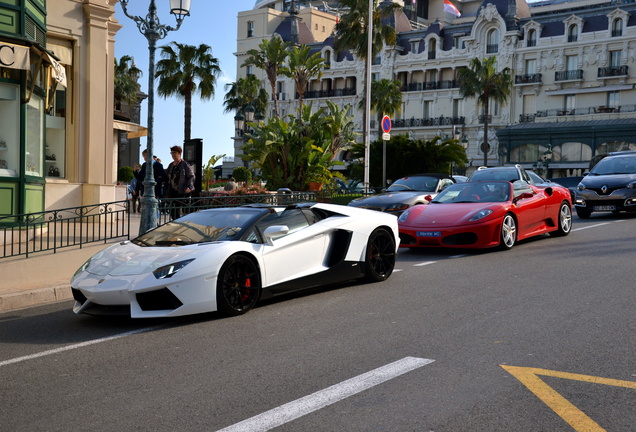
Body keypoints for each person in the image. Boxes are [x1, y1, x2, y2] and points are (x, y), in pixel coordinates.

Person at [165, 145, 195, 220]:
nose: (173, 155)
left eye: (174, 153)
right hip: (171, 191)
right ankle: (176, 223)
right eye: (171, 153)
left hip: (181, 191)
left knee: (177, 210)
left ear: (179, 153)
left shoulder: (184, 164)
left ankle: (178, 224)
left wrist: (189, 187)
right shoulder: (171, 165)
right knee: (171, 210)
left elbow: (191, 176)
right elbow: (166, 176)